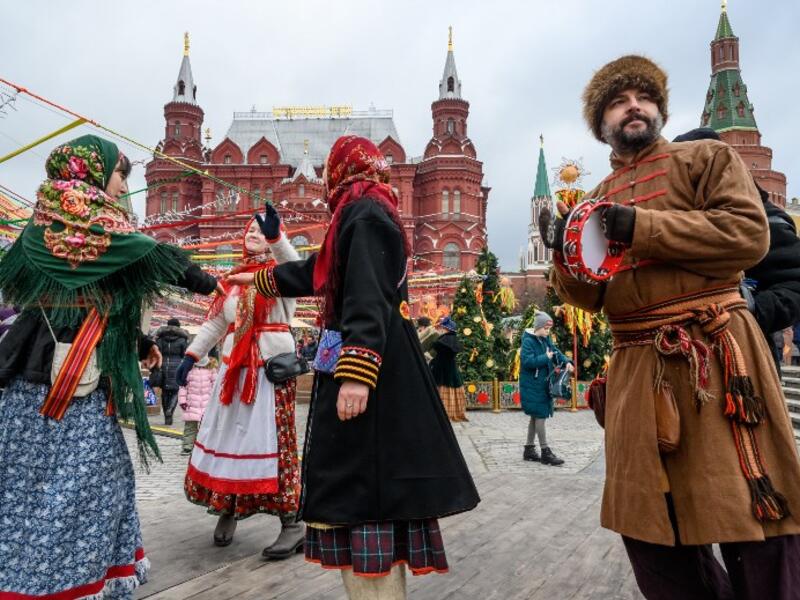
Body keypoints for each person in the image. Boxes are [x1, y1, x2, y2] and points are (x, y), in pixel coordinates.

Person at [540, 55, 800, 598]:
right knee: (652, 530)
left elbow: (747, 236)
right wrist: (565, 258)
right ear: (601, 123)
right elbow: (593, 297)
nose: (633, 106)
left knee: (750, 517)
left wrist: (642, 228)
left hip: (717, 356)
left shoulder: (706, 157)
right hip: (636, 368)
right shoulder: (594, 199)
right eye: (618, 100)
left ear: (658, 108)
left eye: (643, 96)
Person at [228, 135, 479, 600]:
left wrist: (356, 374)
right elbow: (323, 272)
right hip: (383, 370)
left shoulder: (361, 213)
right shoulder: (363, 210)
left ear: (340, 173)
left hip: (375, 380)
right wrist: (261, 277)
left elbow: (365, 293)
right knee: (372, 499)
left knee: (365, 493)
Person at [0, 135, 219, 598]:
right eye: (121, 175)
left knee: (35, 482)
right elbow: (153, 257)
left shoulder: (40, 225)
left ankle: (62, 568)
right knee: (80, 486)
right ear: (94, 173)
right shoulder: (94, 226)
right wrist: (212, 284)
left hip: (30, 379)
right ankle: (57, 582)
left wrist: (138, 342)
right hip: (65, 383)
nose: (123, 188)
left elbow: (78, 301)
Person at [176, 211, 305, 558]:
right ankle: (228, 507)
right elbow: (217, 322)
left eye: (260, 232)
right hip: (234, 370)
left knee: (274, 442)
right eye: (250, 229)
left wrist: (278, 239)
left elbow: (293, 265)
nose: (253, 233)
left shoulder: (281, 275)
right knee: (229, 436)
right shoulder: (233, 278)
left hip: (268, 369)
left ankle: (292, 524)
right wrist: (192, 355)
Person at [673, 127, 800, 378]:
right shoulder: (679, 218)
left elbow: (795, 282)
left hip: (744, 366)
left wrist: (745, 309)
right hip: (685, 364)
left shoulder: (762, 218)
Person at [518, 311, 572, 465]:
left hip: (542, 384)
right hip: (532, 385)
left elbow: (556, 352)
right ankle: (545, 452)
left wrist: (566, 361)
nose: (548, 332)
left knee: (536, 416)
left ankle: (528, 449)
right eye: (546, 329)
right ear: (538, 327)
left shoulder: (545, 339)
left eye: (549, 329)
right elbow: (527, 362)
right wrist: (545, 358)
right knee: (540, 416)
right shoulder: (528, 341)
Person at [429, 316, 469, 422]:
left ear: (446, 328)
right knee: (453, 385)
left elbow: (436, 347)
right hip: (452, 367)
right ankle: (455, 411)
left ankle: (444, 412)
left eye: (442, 327)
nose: (441, 328)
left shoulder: (443, 340)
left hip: (441, 368)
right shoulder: (454, 339)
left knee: (441, 387)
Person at [178, 355, 217, 454]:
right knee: (190, 427)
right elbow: (183, 386)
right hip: (191, 404)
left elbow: (215, 385)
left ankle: (204, 445)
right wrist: (182, 401)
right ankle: (188, 446)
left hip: (206, 403)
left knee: (206, 427)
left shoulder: (211, 370)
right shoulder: (188, 371)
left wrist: (215, 400)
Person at [154, 317, 189, 425]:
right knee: (175, 391)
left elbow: (157, 353)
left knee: (164, 391)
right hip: (177, 367)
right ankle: (170, 410)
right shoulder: (182, 340)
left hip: (163, 366)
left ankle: (166, 415)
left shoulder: (160, 339)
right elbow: (185, 354)